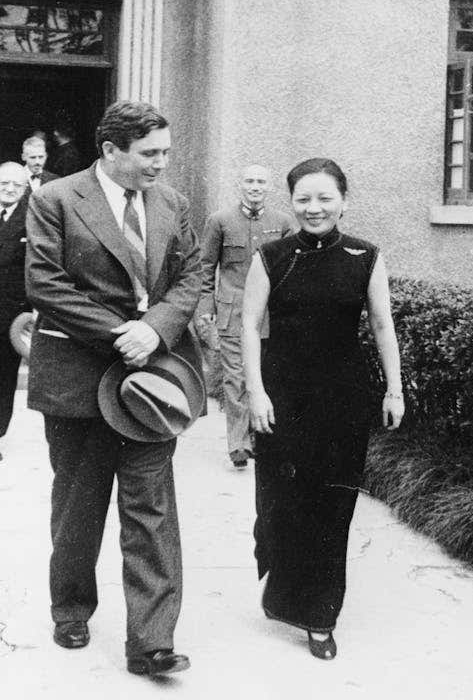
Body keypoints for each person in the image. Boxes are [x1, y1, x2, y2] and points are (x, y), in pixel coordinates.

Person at [25, 100, 202, 677]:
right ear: (110, 151)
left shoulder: (171, 203)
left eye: (166, 153)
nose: (161, 165)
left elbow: (192, 273)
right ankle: (72, 608)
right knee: (79, 503)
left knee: (151, 507)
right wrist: (118, 334)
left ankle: (151, 641)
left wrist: (154, 330)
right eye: (149, 154)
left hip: (153, 382)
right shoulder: (56, 199)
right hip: (78, 379)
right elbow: (44, 282)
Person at [241, 157, 404, 661]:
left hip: (342, 400)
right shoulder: (270, 255)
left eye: (324, 198)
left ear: (343, 201)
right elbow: (249, 324)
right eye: (303, 199)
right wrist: (256, 391)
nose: (314, 208)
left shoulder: (365, 256)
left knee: (332, 508)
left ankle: (320, 616)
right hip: (282, 396)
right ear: (291, 203)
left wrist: (394, 389)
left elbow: (382, 326)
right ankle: (281, 582)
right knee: (280, 505)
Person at [196, 164, 295, 468]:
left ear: (269, 187)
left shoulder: (282, 223)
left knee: (268, 375)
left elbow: (292, 269)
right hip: (233, 312)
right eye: (249, 181)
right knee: (236, 377)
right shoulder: (220, 221)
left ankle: (263, 439)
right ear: (240, 185)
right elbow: (205, 267)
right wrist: (206, 308)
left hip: (270, 313)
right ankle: (239, 445)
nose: (255, 187)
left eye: (261, 182)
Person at [0, 162, 31, 460]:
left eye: (16, 185)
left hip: (8, 315)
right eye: (4, 183)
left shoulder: (31, 219)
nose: (9, 189)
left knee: (4, 377)